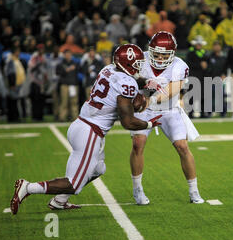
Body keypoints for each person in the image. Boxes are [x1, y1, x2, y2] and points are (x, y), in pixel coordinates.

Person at [10, 44, 162, 214]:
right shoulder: (126, 84)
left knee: (98, 169)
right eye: (137, 63)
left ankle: (60, 200)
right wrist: (148, 123)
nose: (139, 67)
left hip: (82, 124)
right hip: (90, 132)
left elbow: (128, 82)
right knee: (74, 184)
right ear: (127, 63)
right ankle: (28, 187)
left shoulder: (108, 69)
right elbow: (127, 122)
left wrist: (146, 83)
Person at [129, 31, 204, 205]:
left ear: (173, 53)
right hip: (143, 108)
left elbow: (174, 89)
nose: (160, 57)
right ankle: (137, 189)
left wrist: (151, 99)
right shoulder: (141, 59)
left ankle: (194, 190)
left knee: (182, 146)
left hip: (168, 108)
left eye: (164, 54)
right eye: (156, 53)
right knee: (137, 143)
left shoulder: (179, 65)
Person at [185, 35, 208, 118]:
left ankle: (202, 112)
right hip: (193, 75)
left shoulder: (204, 52)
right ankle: (191, 112)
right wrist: (200, 65)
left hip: (202, 76)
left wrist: (206, 66)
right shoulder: (191, 52)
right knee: (192, 94)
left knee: (202, 95)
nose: (199, 45)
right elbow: (188, 64)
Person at [56, 50, 79, 122]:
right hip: (64, 85)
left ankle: (75, 117)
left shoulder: (75, 63)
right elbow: (57, 73)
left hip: (73, 85)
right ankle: (62, 117)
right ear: (64, 55)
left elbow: (80, 71)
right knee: (64, 102)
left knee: (74, 102)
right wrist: (67, 70)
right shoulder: (61, 64)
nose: (68, 56)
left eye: (69, 54)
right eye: (66, 54)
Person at [27, 44, 49, 121]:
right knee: (35, 100)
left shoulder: (44, 57)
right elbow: (31, 68)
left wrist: (46, 79)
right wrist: (38, 64)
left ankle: (40, 116)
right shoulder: (34, 57)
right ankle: (35, 116)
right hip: (35, 82)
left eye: (42, 49)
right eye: (40, 49)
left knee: (41, 100)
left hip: (42, 83)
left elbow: (46, 69)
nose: (41, 50)